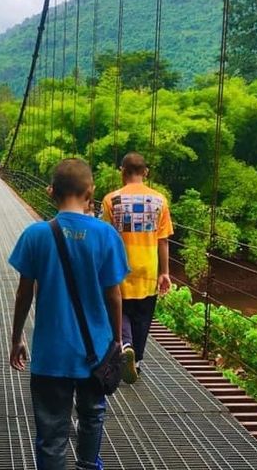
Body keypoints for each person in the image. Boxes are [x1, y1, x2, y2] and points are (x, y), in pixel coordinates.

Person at [8, 158, 129, 470]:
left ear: (51, 192)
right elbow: (114, 296)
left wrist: (16, 338)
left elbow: (24, 294)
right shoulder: (106, 235)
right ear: (90, 191)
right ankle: (88, 465)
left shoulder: (35, 235)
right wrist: (116, 342)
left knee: (51, 433)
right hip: (96, 352)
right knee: (92, 416)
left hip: (50, 354)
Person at [101, 152, 174, 384]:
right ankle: (138, 361)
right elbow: (163, 241)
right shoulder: (160, 200)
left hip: (119, 267)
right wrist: (165, 272)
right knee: (143, 316)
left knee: (120, 312)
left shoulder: (111, 199)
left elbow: (106, 238)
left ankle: (126, 346)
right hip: (148, 268)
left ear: (122, 171)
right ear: (146, 172)